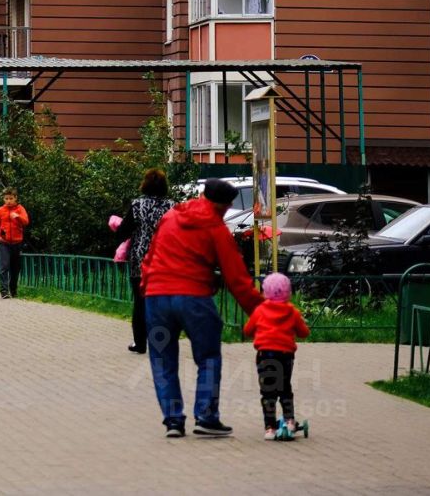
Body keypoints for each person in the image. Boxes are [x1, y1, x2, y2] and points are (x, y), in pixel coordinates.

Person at [140, 178, 264, 438]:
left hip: (156, 297)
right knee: (208, 357)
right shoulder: (215, 227)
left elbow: (149, 257)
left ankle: (173, 421)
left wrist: (146, 290)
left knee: (162, 361)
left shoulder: (171, 216)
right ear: (223, 205)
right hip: (193, 298)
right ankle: (206, 417)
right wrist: (262, 313)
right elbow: (237, 279)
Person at [243, 272, 310, 440]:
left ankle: (270, 428)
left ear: (265, 292)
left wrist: (259, 333)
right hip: (286, 356)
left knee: (268, 392)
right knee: (285, 388)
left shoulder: (260, 310)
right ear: (288, 292)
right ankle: (289, 421)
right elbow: (304, 332)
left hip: (265, 355)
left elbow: (247, 330)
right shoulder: (292, 312)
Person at [115, 169, 174, 354]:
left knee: (140, 303)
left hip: (140, 261)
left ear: (145, 185)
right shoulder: (172, 206)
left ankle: (140, 343)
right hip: (164, 260)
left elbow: (123, 231)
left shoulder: (137, 205)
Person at [0, 187, 29, 299]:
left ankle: (13, 290)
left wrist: (18, 216)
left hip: (17, 242)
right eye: (6, 198)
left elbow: (26, 221)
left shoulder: (20, 209)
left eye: (11, 198)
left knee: (15, 268)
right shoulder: (0, 210)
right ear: (3, 199)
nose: (8, 201)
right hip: (3, 242)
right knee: (4, 266)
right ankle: (4, 291)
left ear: (15, 198)